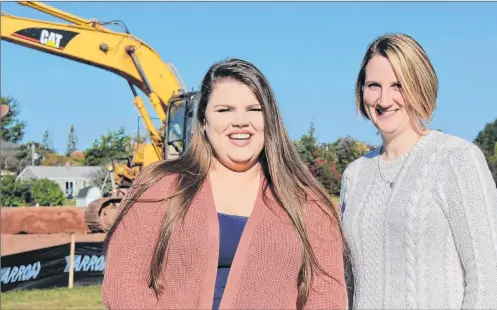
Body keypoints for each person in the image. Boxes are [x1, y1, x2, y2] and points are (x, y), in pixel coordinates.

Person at [102, 58, 348, 309]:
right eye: (224, 110)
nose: (241, 121)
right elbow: (124, 283)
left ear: (269, 120)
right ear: (204, 122)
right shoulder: (161, 187)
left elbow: (326, 293)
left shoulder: (306, 202)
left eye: (254, 109)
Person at [340, 33, 497, 309]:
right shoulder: (354, 176)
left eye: (398, 85)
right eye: (373, 85)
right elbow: (349, 283)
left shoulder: (458, 159)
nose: (384, 99)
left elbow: (489, 281)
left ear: (420, 85)